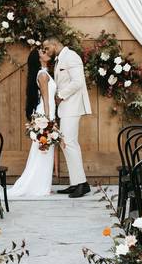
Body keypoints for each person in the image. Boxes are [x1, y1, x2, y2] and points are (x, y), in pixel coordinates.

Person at [43, 36, 92, 198]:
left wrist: (60, 96)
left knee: (69, 143)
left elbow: (78, 82)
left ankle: (81, 184)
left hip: (72, 106)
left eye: (47, 48)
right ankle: (78, 183)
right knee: (66, 144)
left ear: (55, 44)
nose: (45, 51)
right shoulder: (60, 59)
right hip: (66, 108)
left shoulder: (71, 57)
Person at [8, 47, 56, 197]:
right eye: (42, 52)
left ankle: (41, 184)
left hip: (47, 112)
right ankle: (38, 185)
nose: (46, 53)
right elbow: (46, 99)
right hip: (45, 113)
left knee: (43, 149)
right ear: (39, 58)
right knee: (43, 148)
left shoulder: (45, 72)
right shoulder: (42, 74)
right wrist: (48, 120)